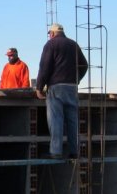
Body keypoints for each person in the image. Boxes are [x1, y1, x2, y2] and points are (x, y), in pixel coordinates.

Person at [35, 23, 88, 159]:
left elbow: (44, 67)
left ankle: (55, 152)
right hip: (72, 87)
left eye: (49, 34)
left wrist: (39, 88)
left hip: (56, 87)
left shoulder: (50, 45)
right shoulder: (73, 45)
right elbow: (84, 65)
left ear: (52, 33)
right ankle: (74, 151)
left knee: (56, 120)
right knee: (72, 120)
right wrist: (76, 79)